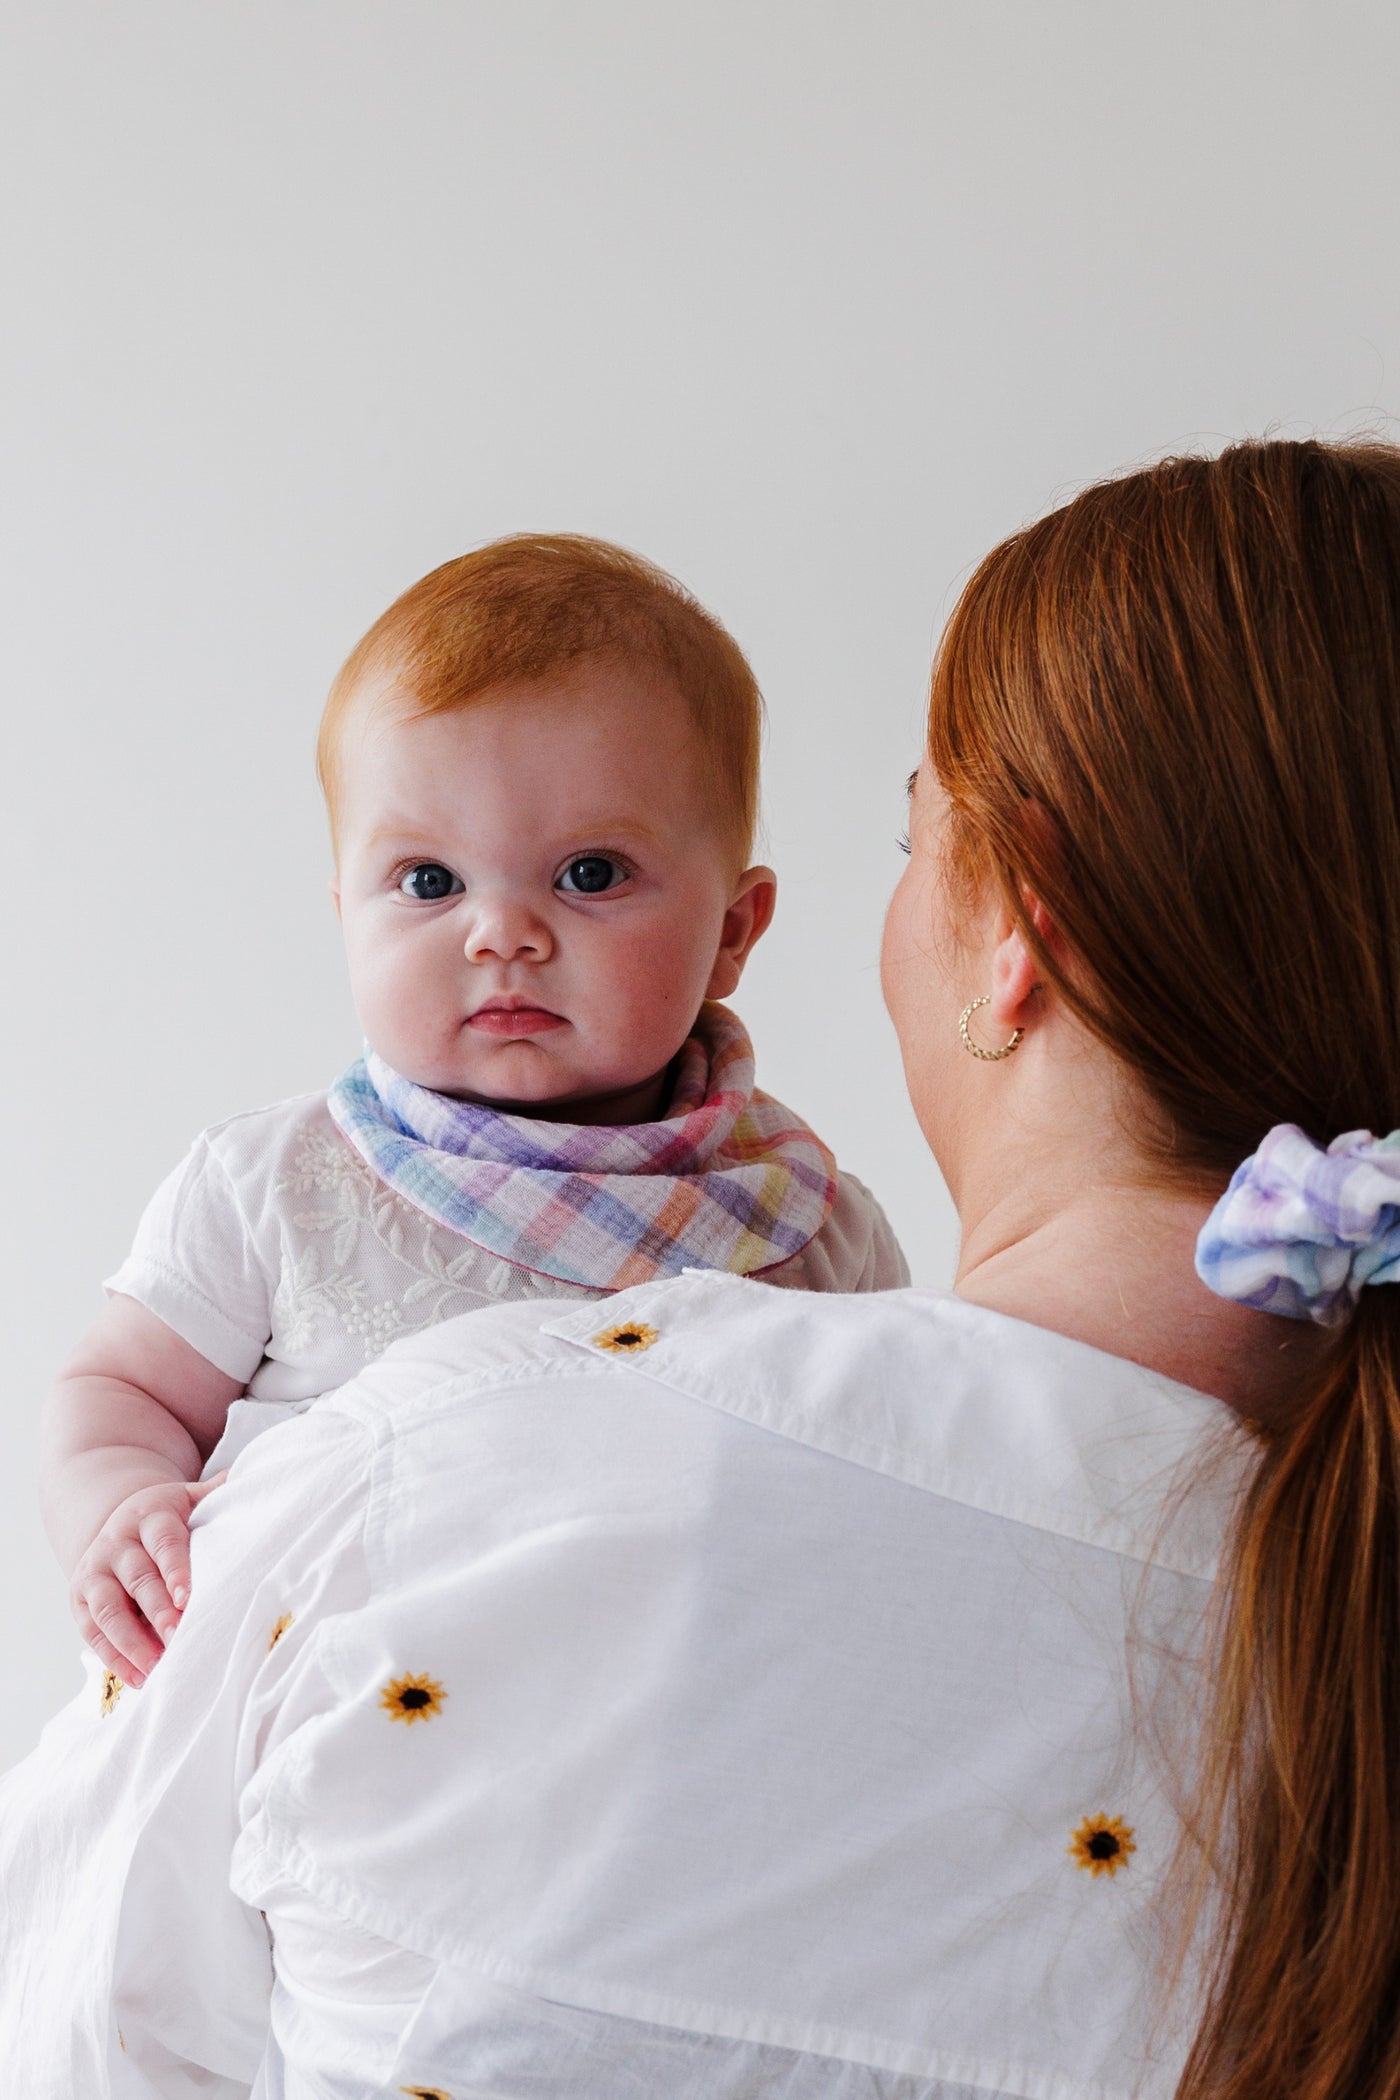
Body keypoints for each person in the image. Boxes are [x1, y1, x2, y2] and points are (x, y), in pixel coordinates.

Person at [5, 435, 1397, 2099]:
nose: (503, 932)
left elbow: (78, 2032)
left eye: (911, 848)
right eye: (426, 880)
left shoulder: (406, 1475)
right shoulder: (1317, 1602)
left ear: (1027, 928)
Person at [37, 534, 906, 1693]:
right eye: (430, 883)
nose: (502, 933)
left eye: (588, 875)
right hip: (311, 1732)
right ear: (343, 909)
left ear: (733, 934)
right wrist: (126, 1503)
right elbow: (120, 1390)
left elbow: (899, 1481)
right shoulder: (278, 1184)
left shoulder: (811, 1231)